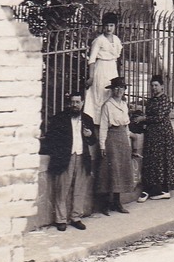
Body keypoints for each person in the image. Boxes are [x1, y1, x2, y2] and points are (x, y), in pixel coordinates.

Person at [39, 91, 96, 231]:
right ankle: (61, 219)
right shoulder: (60, 118)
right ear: (69, 103)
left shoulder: (88, 119)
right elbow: (51, 138)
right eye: (73, 102)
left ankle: (76, 217)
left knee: (79, 190)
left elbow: (92, 140)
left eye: (78, 102)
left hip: (82, 157)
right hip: (65, 158)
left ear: (82, 103)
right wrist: (59, 152)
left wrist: (89, 135)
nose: (75, 105)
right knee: (62, 189)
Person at [94, 76, 135, 214]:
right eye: (116, 87)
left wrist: (128, 142)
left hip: (122, 139)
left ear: (124, 90)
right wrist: (102, 146)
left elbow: (127, 126)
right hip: (111, 139)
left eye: (121, 87)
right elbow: (103, 127)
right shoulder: (107, 105)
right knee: (110, 171)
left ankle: (117, 203)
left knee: (121, 171)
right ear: (112, 90)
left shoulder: (124, 105)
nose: (119, 90)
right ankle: (106, 204)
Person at [137, 72, 174, 201]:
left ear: (162, 87)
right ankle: (149, 189)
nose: (154, 88)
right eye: (152, 85)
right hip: (152, 133)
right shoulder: (151, 100)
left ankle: (163, 190)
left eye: (156, 85)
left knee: (161, 160)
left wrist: (144, 118)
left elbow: (159, 116)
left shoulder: (165, 99)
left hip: (162, 134)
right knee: (151, 160)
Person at [85, 13, 124, 122]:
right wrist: (91, 77)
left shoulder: (116, 40)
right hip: (101, 69)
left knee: (112, 93)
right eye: (106, 25)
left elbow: (117, 58)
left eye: (111, 25)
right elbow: (92, 60)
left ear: (115, 26)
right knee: (100, 94)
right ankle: (98, 122)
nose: (109, 28)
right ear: (103, 26)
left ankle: (110, 121)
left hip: (112, 69)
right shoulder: (99, 40)